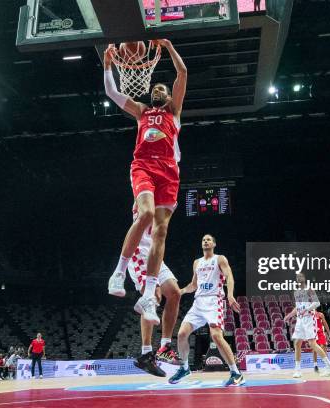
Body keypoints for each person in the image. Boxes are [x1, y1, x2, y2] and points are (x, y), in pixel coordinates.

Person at [104, 39, 187, 325]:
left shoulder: (173, 114)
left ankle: (149, 293)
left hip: (169, 172)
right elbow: (112, 93)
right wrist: (107, 67)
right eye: (154, 89)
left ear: (168, 97)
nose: (157, 91)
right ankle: (118, 271)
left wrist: (168, 45)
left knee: (160, 233)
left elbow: (183, 73)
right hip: (143, 167)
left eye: (161, 89)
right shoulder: (141, 111)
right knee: (147, 214)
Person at [111, 204, 182, 376]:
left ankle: (165, 346)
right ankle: (146, 354)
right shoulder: (145, 192)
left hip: (156, 254)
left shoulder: (167, 192)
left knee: (174, 293)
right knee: (154, 296)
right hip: (140, 253)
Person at [168, 234, 245, 386]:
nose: (205, 241)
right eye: (203, 239)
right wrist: (181, 291)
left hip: (214, 300)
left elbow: (230, 277)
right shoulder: (197, 262)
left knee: (216, 336)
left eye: (209, 239)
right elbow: (193, 284)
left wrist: (230, 295)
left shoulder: (220, 259)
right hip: (198, 303)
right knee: (182, 334)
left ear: (214, 244)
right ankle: (184, 368)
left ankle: (236, 372)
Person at [284, 272, 330, 378]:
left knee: (312, 344)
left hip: (309, 318)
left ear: (304, 278)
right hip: (300, 320)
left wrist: (306, 309)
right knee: (297, 343)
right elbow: (297, 307)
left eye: (301, 276)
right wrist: (289, 315)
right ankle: (298, 370)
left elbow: (317, 303)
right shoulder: (296, 292)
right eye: (297, 277)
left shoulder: (309, 289)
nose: (299, 278)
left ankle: (329, 367)